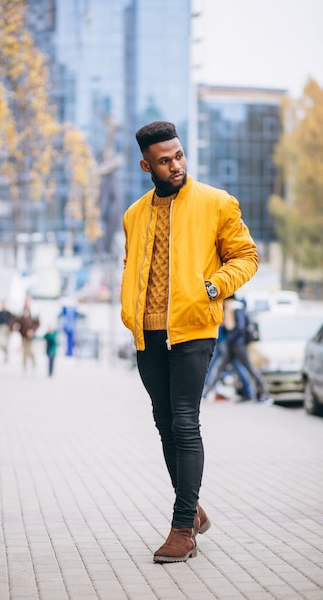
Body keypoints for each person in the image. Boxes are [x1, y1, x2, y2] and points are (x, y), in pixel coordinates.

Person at [120, 121, 259, 564]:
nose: (176, 165)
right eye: (164, 160)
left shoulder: (217, 203)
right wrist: (129, 313)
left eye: (178, 155)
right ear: (147, 165)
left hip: (195, 326)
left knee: (185, 421)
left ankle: (183, 529)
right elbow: (134, 267)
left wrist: (214, 288)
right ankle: (192, 508)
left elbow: (246, 256)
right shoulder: (134, 214)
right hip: (148, 331)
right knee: (163, 421)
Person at [204, 295, 272, 404]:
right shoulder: (233, 308)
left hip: (238, 345)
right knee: (220, 367)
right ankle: (206, 393)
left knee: (249, 368)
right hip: (233, 345)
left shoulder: (236, 308)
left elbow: (240, 327)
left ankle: (264, 394)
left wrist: (229, 337)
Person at [12, 296, 40, 371]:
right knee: (24, 350)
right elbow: (16, 320)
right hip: (23, 334)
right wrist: (16, 328)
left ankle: (33, 363)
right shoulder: (21, 311)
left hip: (31, 335)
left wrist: (32, 330)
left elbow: (37, 323)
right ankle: (24, 367)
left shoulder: (34, 311)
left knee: (29, 350)